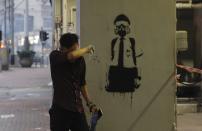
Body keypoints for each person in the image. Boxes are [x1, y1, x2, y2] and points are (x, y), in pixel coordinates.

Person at [49, 33, 97, 131]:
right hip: (60, 110)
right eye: (74, 50)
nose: (77, 52)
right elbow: (71, 56)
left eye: (77, 49)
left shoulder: (80, 61)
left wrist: (89, 103)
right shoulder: (55, 56)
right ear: (63, 49)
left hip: (77, 109)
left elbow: (82, 84)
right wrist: (87, 49)